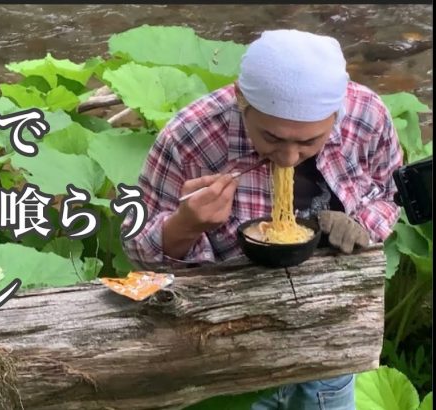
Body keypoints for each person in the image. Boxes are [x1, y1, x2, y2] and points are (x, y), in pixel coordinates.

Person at [121, 29, 403, 410]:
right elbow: (137, 247)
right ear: (241, 99)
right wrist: (184, 226)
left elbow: (389, 195)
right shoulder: (193, 135)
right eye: (272, 137)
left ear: (336, 114)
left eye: (308, 142)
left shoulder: (366, 118)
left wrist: (364, 226)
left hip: (328, 341)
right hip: (230, 351)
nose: (288, 158)